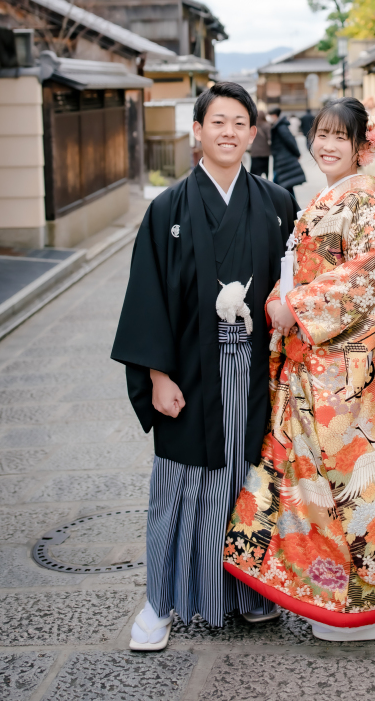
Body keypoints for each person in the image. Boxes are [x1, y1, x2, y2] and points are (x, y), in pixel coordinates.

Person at [224, 97, 375, 641]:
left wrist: (296, 306)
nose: (326, 145)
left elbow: (363, 279)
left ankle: (354, 610)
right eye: (320, 135)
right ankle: (330, 601)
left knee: (351, 491)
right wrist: (281, 299)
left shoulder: (361, 204)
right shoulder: (330, 198)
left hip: (344, 374)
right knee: (315, 486)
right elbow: (303, 271)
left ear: (360, 148)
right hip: (318, 362)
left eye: (339, 138)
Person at [111, 82, 295, 650]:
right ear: (198, 131)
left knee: (252, 479)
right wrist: (157, 375)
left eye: (240, 123)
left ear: (253, 133)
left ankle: (252, 592)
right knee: (182, 484)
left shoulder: (277, 203)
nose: (229, 132)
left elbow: (300, 285)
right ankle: (160, 602)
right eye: (218, 122)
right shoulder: (167, 209)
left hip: (257, 370)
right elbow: (147, 297)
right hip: (191, 371)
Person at [267, 106, 306, 203]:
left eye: (270, 115)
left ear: (274, 115)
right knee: (285, 185)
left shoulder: (281, 127)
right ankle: (290, 205)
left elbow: (290, 141)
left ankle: (290, 206)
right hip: (281, 159)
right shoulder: (278, 126)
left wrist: (297, 153)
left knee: (283, 184)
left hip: (284, 160)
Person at [248, 106, 272, 177]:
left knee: (254, 171)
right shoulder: (267, 125)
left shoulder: (252, 126)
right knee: (265, 169)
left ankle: (254, 181)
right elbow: (270, 137)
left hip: (255, 151)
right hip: (265, 152)